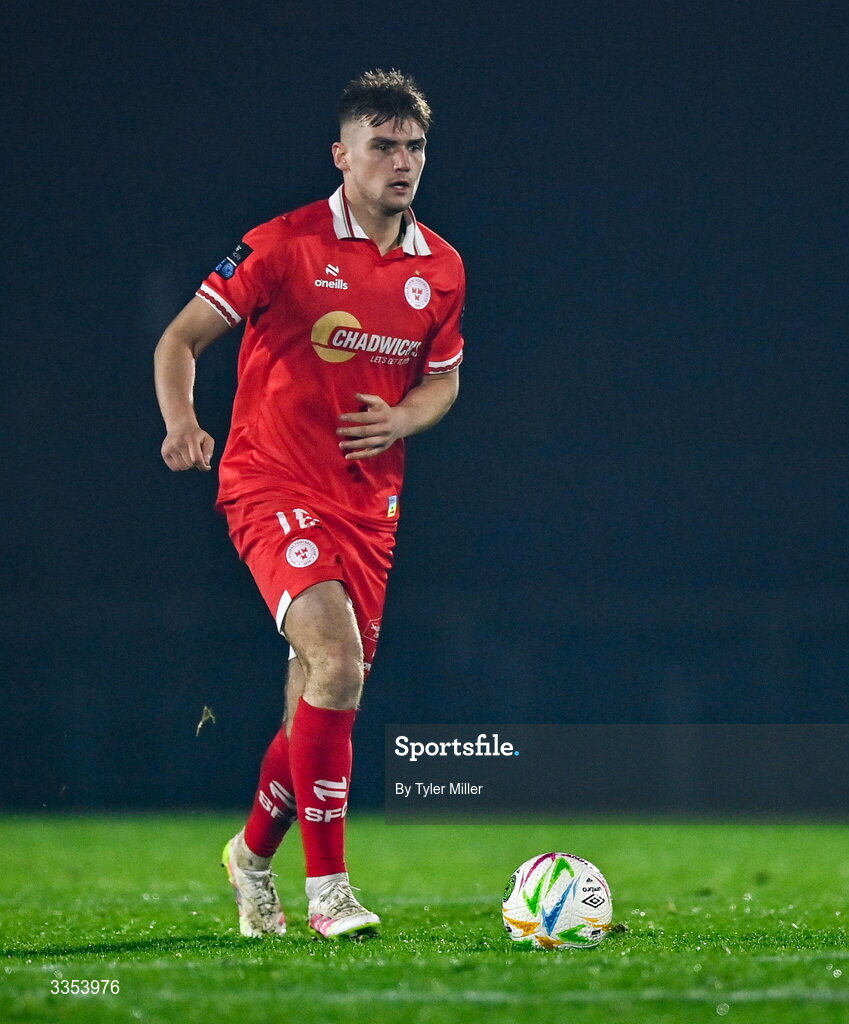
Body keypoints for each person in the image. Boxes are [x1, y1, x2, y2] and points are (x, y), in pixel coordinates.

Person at [154, 69, 465, 940]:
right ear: (343, 155)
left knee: (319, 704)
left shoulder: (440, 268)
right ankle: (330, 894)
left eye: (414, 147)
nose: (402, 162)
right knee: (337, 662)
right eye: (383, 146)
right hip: (270, 484)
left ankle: (251, 859)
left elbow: (443, 383)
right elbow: (180, 338)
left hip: (371, 510)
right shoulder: (282, 244)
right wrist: (183, 421)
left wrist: (405, 416)